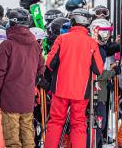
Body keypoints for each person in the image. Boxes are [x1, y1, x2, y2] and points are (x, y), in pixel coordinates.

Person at [44, 8, 103, 148]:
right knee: (78, 124)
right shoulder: (91, 43)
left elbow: (50, 63)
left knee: (56, 122)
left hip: (60, 89)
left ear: (72, 21)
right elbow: (98, 69)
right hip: (81, 92)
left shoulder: (61, 39)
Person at [0, 8, 45, 148]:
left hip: (10, 98)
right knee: (27, 134)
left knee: (12, 137)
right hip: (27, 97)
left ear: (13, 23)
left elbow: (0, 70)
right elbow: (41, 68)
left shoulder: (7, 45)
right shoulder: (35, 45)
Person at [88, 19, 117, 148]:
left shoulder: (99, 47)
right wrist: (112, 72)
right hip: (96, 89)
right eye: (105, 33)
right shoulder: (95, 48)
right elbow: (95, 73)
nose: (108, 36)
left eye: (108, 33)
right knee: (99, 121)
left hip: (100, 88)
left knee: (99, 121)